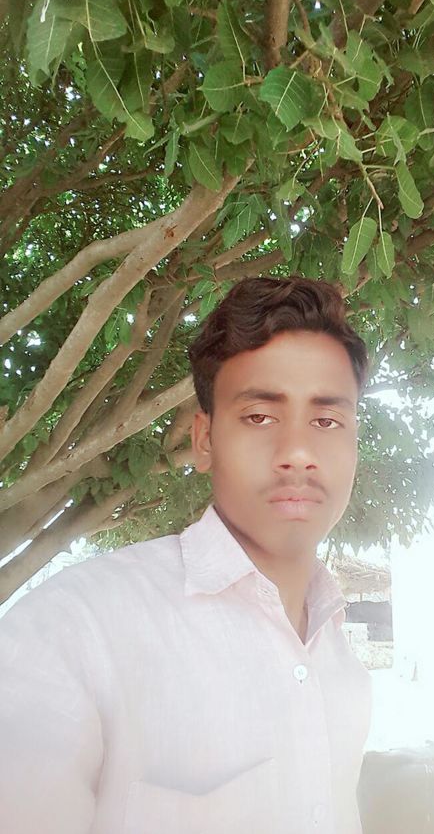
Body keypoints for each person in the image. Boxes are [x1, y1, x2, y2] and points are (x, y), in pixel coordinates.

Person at [0, 276, 372, 834]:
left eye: (327, 421)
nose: (298, 452)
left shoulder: (344, 669)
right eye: (259, 416)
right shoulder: (74, 631)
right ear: (204, 440)